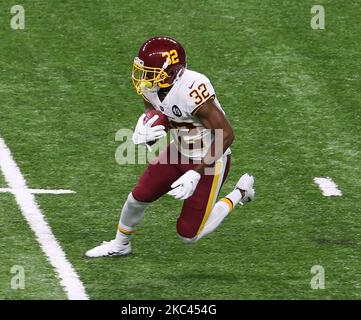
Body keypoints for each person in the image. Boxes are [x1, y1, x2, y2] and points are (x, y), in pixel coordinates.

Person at [85, 36, 255, 257]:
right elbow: (161, 114)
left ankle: (240, 192)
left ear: (172, 72)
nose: (145, 77)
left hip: (210, 160)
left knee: (189, 234)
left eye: (151, 72)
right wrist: (147, 129)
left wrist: (196, 173)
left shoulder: (193, 90)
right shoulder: (152, 87)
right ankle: (121, 245)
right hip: (179, 151)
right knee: (137, 197)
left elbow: (226, 134)